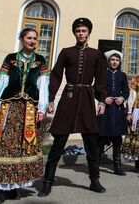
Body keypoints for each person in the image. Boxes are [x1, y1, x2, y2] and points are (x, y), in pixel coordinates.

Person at [0, 28, 49, 204]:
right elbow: (1, 80)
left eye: (35, 39)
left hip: (28, 109)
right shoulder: (10, 58)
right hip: (8, 108)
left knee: (23, 147)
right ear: (22, 39)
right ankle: (1, 189)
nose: (32, 41)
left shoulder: (41, 60)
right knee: (3, 145)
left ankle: (14, 187)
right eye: (29, 38)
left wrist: (42, 108)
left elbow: (43, 84)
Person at [38, 18, 107, 197]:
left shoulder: (96, 54)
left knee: (92, 142)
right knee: (59, 142)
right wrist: (50, 100)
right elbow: (56, 75)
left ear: (89, 33)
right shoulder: (66, 52)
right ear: (75, 33)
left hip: (86, 98)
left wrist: (101, 101)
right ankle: (47, 181)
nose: (81, 33)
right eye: (78, 31)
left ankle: (94, 180)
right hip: (68, 98)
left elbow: (100, 79)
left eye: (84, 30)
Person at [98, 50, 130, 175]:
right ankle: (96, 165)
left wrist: (122, 98)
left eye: (117, 60)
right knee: (101, 138)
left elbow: (126, 91)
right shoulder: (102, 74)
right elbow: (96, 90)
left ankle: (117, 167)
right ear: (108, 61)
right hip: (105, 109)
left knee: (117, 139)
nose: (114, 62)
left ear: (119, 62)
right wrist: (103, 99)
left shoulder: (122, 75)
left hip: (117, 110)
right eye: (112, 60)